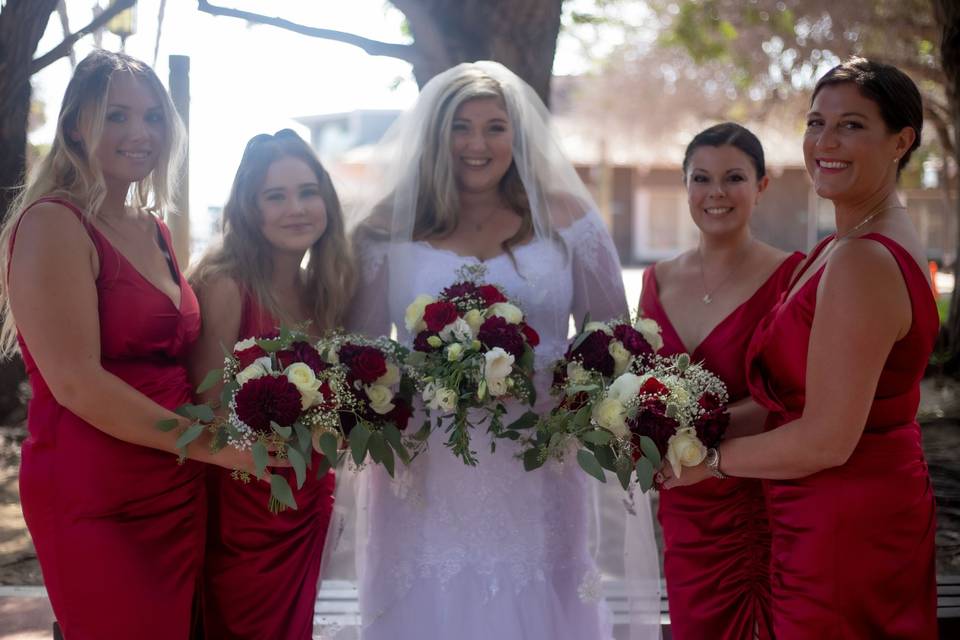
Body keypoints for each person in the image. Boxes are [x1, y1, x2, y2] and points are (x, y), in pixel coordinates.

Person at [316, 61, 661, 640]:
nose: (478, 143)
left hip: (539, 464)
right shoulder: (384, 229)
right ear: (435, 135)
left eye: (495, 127)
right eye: (461, 126)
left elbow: (612, 345)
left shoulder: (569, 221)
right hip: (425, 471)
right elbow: (361, 356)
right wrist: (421, 377)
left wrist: (569, 397)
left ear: (517, 135)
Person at [662, 58, 938, 639]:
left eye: (852, 126)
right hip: (812, 511)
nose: (826, 143)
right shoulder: (839, 246)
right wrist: (672, 431)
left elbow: (826, 438)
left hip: (845, 520)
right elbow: (787, 400)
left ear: (901, 141)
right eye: (816, 123)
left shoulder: (864, 259)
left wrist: (707, 464)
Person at [0, 49, 255, 638]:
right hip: (97, 487)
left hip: (176, 476)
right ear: (73, 127)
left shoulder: (154, 227)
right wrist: (213, 447)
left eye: (153, 117)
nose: (141, 133)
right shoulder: (54, 223)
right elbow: (76, 382)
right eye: (116, 115)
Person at [189, 129, 355, 639]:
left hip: (309, 506)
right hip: (244, 515)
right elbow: (206, 413)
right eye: (275, 196)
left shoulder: (323, 291)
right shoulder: (225, 286)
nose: (296, 208)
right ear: (249, 207)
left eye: (308, 192)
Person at [640, 122, 803, 639]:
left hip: (760, 497)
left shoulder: (793, 277)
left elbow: (795, 395)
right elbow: (642, 384)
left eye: (733, 178)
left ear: (762, 185)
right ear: (685, 186)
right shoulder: (656, 280)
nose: (715, 193)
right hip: (685, 505)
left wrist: (699, 432)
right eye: (700, 178)